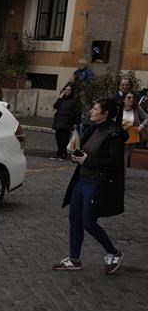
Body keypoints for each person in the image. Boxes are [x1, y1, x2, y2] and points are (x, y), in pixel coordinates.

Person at [53, 98, 125, 274]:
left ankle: (113, 252)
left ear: (105, 113)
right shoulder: (93, 129)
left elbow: (115, 163)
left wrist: (88, 160)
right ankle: (74, 259)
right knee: (74, 220)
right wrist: (76, 156)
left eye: (95, 108)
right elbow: (85, 151)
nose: (91, 111)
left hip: (96, 183)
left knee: (88, 222)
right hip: (81, 180)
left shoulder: (114, 134)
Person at [51, 83, 81, 160]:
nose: (67, 91)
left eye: (69, 90)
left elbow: (77, 113)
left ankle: (63, 153)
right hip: (59, 121)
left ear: (72, 91)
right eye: (66, 89)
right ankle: (59, 152)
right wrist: (60, 97)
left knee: (64, 139)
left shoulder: (74, 101)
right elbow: (55, 106)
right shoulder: (61, 99)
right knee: (58, 138)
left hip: (68, 122)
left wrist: (76, 123)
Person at [118, 91, 147, 165]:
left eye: (133, 98)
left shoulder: (136, 108)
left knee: (124, 156)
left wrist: (142, 126)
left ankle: (122, 176)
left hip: (131, 137)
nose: (131, 99)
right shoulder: (118, 109)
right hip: (118, 136)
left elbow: (147, 118)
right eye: (129, 98)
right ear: (123, 100)